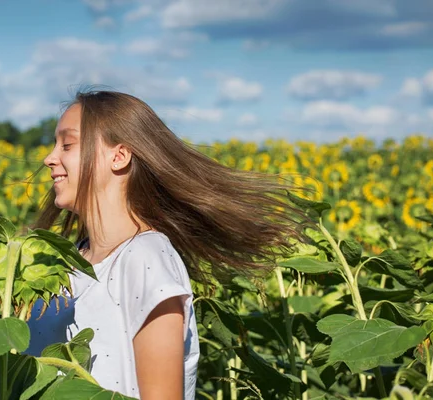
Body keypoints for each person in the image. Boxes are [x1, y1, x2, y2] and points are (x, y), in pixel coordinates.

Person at [25, 89, 310, 399]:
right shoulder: (65, 262)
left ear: (118, 157)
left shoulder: (144, 259)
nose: (49, 158)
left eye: (67, 145)